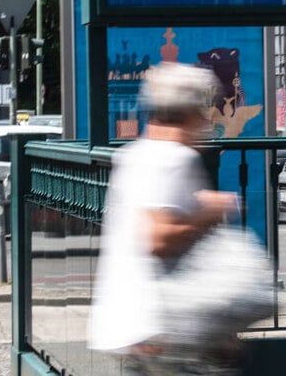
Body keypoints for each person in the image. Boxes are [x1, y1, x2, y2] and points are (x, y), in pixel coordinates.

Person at [89, 62, 242, 374]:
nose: (205, 120)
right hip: (162, 332)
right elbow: (158, 237)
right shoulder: (174, 158)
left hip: (131, 325)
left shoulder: (135, 155)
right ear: (188, 113)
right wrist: (213, 211)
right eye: (203, 110)